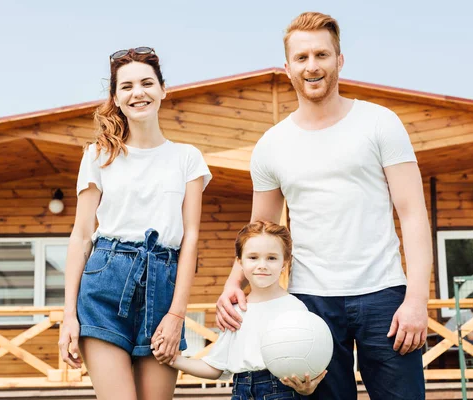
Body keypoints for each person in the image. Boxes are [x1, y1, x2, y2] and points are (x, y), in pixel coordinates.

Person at [215, 12, 433, 400]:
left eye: (322, 55)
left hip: (384, 295)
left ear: (339, 60)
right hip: (308, 304)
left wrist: (416, 299)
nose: (312, 66)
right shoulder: (271, 144)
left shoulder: (380, 122)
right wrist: (235, 281)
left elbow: (413, 213)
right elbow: (261, 226)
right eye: (301, 58)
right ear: (287, 68)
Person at [57, 47, 212, 400]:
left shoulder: (187, 158)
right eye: (126, 86)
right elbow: (81, 235)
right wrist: (68, 316)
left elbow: (190, 240)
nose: (137, 92)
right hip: (104, 286)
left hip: (163, 286)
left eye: (146, 83)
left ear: (163, 90)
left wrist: (176, 314)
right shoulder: (98, 155)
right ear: (115, 97)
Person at [152, 220, 326, 398]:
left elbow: (311, 358)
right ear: (240, 262)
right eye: (253, 257)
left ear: (284, 263)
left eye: (272, 258)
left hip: (282, 391)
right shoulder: (235, 312)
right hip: (240, 391)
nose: (262, 265)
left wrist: (307, 385)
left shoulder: (295, 309)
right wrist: (173, 359)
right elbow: (214, 368)